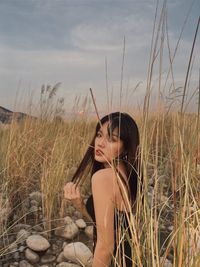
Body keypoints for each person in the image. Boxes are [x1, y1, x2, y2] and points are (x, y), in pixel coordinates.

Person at [64, 112, 140, 267]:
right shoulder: (126, 171)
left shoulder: (104, 178)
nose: (100, 143)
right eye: (99, 135)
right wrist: (80, 206)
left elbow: (105, 248)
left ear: (125, 147)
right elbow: (110, 225)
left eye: (112, 139)